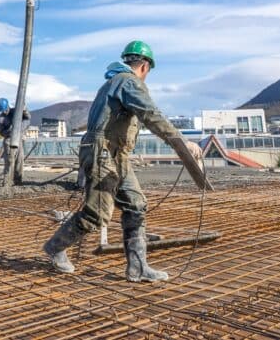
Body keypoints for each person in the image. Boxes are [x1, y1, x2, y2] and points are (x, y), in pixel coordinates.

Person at [42, 40, 203, 282]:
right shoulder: (129, 82)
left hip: (116, 154)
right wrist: (181, 141)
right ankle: (55, 246)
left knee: (136, 204)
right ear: (145, 66)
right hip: (103, 152)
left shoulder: (113, 82)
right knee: (97, 213)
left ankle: (137, 267)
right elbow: (151, 115)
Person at [0, 97, 30, 184]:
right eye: (2, 110)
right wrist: (10, 131)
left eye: (5, 109)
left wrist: (24, 110)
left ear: (8, 106)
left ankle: (18, 181)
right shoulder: (0, 119)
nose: (4, 111)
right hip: (9, 140)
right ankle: (7, 181)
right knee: (9, 161)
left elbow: (27, 118)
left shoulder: (16, 112)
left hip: (18, 138)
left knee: (19, 160)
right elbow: (1, 132)